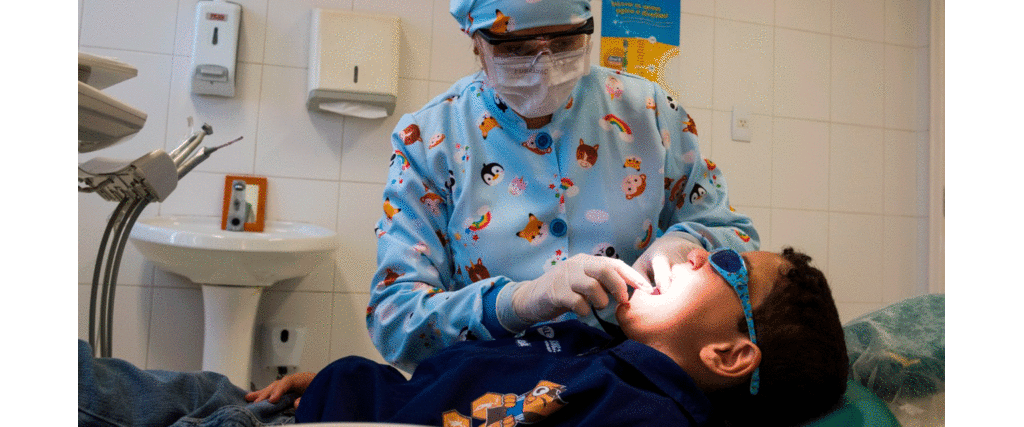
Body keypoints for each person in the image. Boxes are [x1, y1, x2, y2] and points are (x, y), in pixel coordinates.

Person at [369, 0, 759, 372]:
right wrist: (517, 302)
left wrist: (685, 241)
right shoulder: (430, 140)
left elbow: (738, 238)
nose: (545, 64)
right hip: (486, 392)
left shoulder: (651, 113)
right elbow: (394, 320)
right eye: (516, 48)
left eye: (566, 41)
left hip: (630, 386)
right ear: (476, 42)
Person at [78, 248, 849, 427]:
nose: (684, 250)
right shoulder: (597, 356)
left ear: (729, 352)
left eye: (718, 261)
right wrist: (333, 381)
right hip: (292, 404)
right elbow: (445, 391)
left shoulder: (639, 414)